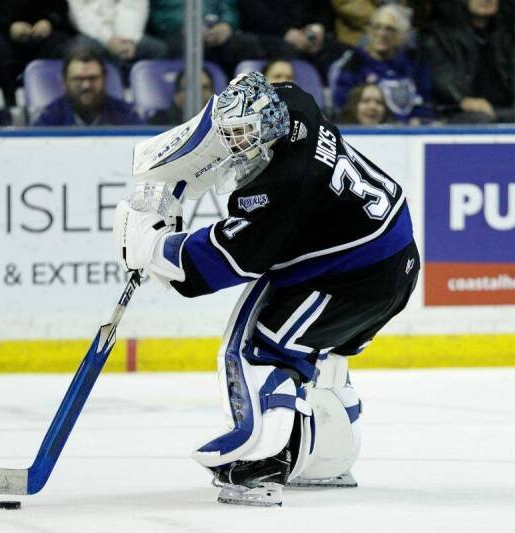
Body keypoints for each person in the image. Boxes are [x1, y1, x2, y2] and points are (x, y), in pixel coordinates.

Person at [115, 72, 419, 506]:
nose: (235, 145)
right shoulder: (295, 106)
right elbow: (229, 111)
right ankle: (325, 460)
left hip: (351, 279)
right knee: (322, 355)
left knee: (260, 349)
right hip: (393, 260)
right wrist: (174, 165)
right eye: (233, 136)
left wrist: (153, 247)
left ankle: (259, 467)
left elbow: (220, 264)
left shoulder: (282, 187)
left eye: (242, 137)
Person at [426, 0, 515, 123]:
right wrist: (461, 100)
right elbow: (441, 78)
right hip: (456, 110)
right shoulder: (441, 34)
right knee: (481, 119)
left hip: (504, 108)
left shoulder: (508, 32)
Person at [331, 4, 433, 124]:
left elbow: (425, 102)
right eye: (376, 27)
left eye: (389, 29)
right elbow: (344, 108)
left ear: (402, 35)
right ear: (368, 31)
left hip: (409, 135)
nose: (382, 33)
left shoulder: (413, 65)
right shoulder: (352, 64)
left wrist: (419, 120)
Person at [34, 47, 142, 126]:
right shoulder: (50, 117)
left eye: (93, 78)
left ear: (104, 79)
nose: (86, 85)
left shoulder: (125, 114)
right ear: (64, 81)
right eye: (78, 79)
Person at [66, 0, 168, 66]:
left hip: (126, 32)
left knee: (159, 49)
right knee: (82, 49)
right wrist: (108, 39)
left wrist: (128, 38)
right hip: (93, 33)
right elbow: (80, 14)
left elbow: (134, 6)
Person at [148, 68, 215, 125]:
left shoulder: (222, 124)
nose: (198, 94)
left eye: (205, 88)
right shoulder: (159, 123)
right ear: (176, 95)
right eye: (188, 88)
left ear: (212, 94)